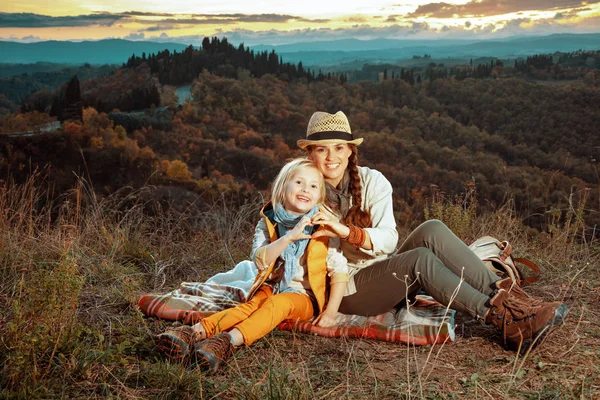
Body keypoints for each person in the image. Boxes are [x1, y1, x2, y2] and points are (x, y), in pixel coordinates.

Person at [297, 110, 568, 350]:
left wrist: (347, 233)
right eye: (321, 149)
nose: (331, 157)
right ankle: (505, 322)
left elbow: (389, 240)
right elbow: (326, 262)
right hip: (347, 291)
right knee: (420, 261)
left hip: (380, 267)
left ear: (349, 151)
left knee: (432, 228)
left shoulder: (371, 181)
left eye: (339, 147)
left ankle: (516, 304)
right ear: (310, 153)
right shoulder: (304, 192)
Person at [156, 158, 349, 372]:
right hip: (272, 285)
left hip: (305, 296)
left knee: (277, 305)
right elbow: (259, 259)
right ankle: (193, 333)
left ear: (319, 196)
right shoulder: (268, 221)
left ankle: (227, 343)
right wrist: (288, 238)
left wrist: (331, 312)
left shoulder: (322, 226)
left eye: (313, 186)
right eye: (299, 183)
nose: (306, 190)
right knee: (251, 306)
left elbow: (339, 270)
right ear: (283, 187)